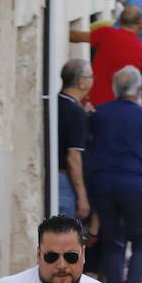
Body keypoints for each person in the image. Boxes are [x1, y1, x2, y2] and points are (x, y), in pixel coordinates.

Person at [88, 66, 142, 283]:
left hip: (102, 184)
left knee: (112, 242)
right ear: (139, 89)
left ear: (114, 88)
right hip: (133, 182)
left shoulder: (99, 114)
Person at [56, 59, 92, 220]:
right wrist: (82, 196)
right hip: (64, 181)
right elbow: (73, 157)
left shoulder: (57, 102)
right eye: (91, 76)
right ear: (80, 82)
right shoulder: (76, 112)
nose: (93, 80)